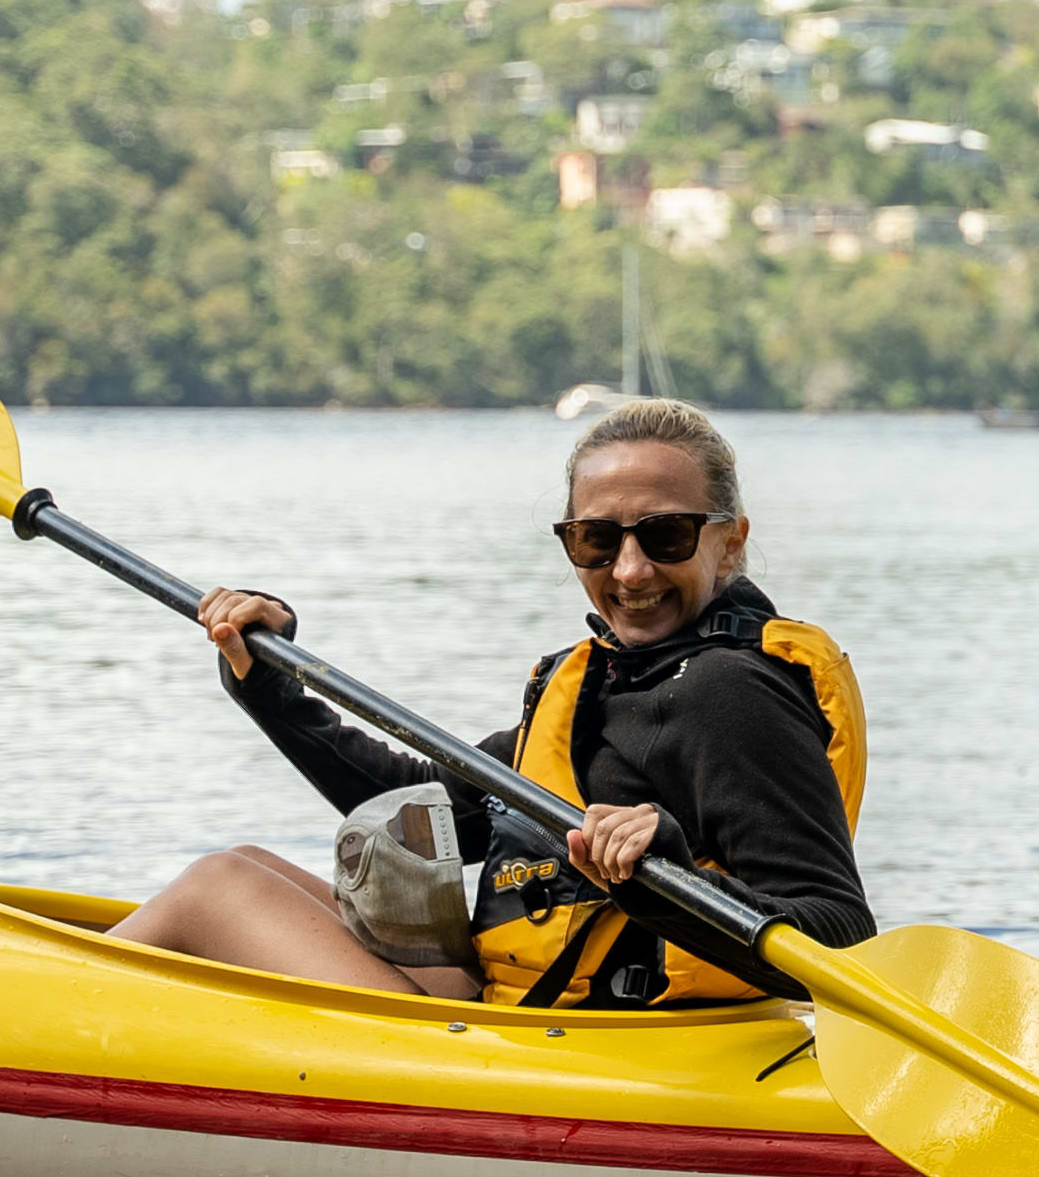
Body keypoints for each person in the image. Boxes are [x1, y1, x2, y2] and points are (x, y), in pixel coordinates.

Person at [110, 399, 877, 1008]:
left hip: (606, 1047)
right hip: (528, 1005)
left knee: (218, 889)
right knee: (248, 866)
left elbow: (838, 940)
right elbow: (420, 812)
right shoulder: (602, 682)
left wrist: (666, 874)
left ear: (731, 542)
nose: (630, 569)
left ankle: (22, 1033)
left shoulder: (730, 694)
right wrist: (267, 683)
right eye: (596, 540)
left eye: (667, 535)